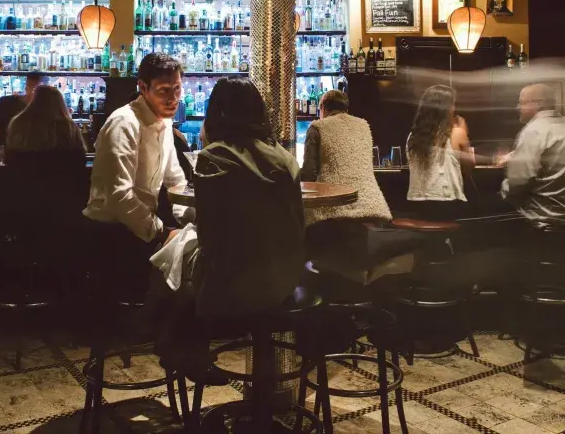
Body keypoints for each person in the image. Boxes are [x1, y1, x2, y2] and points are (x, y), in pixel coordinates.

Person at [147, 77, 304, 378]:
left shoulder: (213, 158)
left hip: (233, 288)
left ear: (215, 113)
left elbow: (212, 237)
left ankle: (179, 347)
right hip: (283, 281)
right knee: (181, 249)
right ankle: (182, 346)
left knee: (173, 250)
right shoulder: (286, 160)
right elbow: (298, 226)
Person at [84, 53, 193, 295]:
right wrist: (161, 232)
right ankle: (151, 327)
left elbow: (176, 182)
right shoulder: (124, 124)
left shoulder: (163, 124)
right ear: (143, 87)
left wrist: (193, 219)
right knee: (188, 271)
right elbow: (119, 196)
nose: (173, 98)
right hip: (112, 233)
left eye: (177, 89)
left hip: (139, 228)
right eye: (164, 90)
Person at [301, 89, 418, 284]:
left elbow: (308, 174)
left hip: (333, 214)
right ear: (346, 109)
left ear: (322, 108)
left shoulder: (317, 127)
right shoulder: (363, 126)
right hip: (372, 209)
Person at [406, 84, 474, 221]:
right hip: (446, 201)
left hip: (415, 202)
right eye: (452, 105)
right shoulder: (457, 133)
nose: (454, 109)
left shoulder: (412, 137)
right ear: (446, 109)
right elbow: (469, 166)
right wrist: (464, 133)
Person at [501, 83, 565, 227]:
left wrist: (504, 189)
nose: (517, 108)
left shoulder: (534, 131)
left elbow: (519, 181)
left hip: (542, 219)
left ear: (539, 104)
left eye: (522, 102)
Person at [5, 85, 86, 169]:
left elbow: (8, 158)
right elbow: (80, 160)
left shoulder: (18, 123)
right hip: (61, 180)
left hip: (24, 179)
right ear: (60, 103)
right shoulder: (69, 126)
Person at [0, 72, 42, 144]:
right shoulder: (6, 102)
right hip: (5, 150)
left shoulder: (45, 108)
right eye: (33, 88)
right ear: (26, 87)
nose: (34, 93)